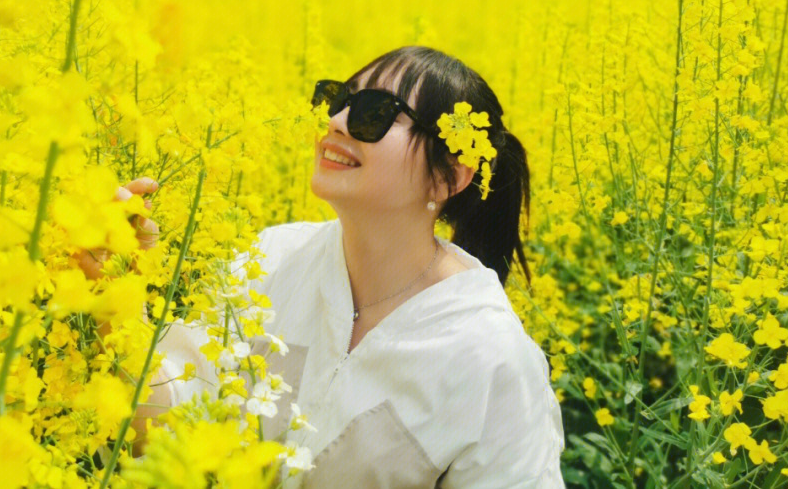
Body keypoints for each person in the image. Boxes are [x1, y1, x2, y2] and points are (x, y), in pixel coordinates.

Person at [84, 46, 566, 487]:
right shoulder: (270, 260)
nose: (336, 121)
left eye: (375, 113)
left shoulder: (491, 360)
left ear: (447, 178)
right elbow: (164, 439)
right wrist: (117, 302)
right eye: (338, 99)